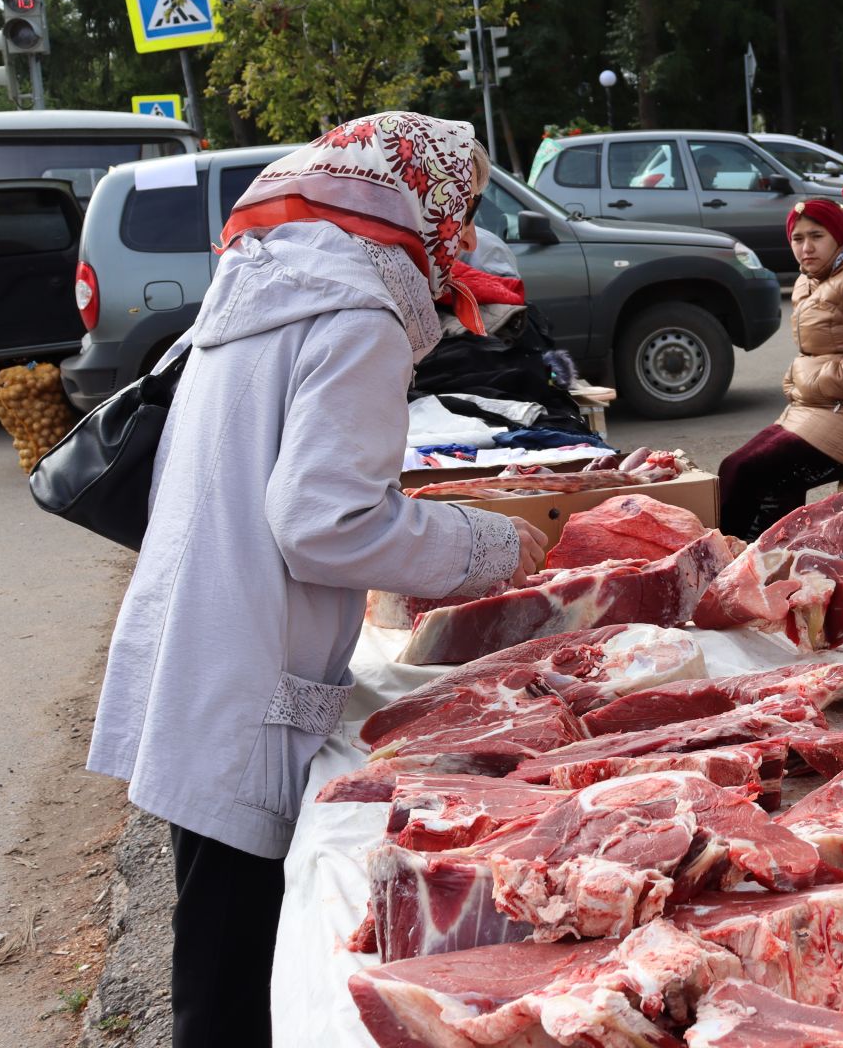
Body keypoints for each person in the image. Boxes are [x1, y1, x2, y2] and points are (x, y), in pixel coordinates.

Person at [85, 112, 549, 1048]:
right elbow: (324, 523)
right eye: (458, 212)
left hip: (205, 644)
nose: (459, 238)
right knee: (230, 971)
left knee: (217, 952)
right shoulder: (360, 310)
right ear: (419, 203)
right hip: (244, 666)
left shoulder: (264, 285)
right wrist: (494, 547)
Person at [717, 197, 843, 540]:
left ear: (839, 236)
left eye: (817, 236)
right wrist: (806, 379)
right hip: (825, 408)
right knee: (734, 468)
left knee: (755, 472)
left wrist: (814, 382)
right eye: (798, 239)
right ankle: (767, 568)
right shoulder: (810, 279)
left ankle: (747, 569)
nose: (806, 248)